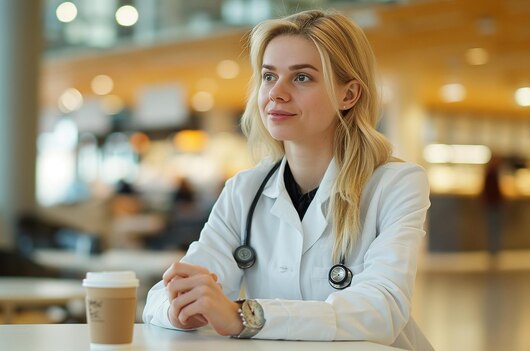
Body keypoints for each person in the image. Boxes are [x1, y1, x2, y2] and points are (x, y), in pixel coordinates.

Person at [142, 9, 432, 351]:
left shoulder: (396, 184)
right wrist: (180, 309)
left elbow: (381, 311)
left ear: (349, 95)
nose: (275, 94)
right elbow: (161, 298)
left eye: (302, 78)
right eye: (268, 76)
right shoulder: (244, 192)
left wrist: (247, 316)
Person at [480, 155, 504, 256]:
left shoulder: (492, 173)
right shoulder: (491, 174)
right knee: (493, 228)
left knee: (494, 228)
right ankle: (493, 250)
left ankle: (494, 250)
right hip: (492, 205)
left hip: (493, 204)